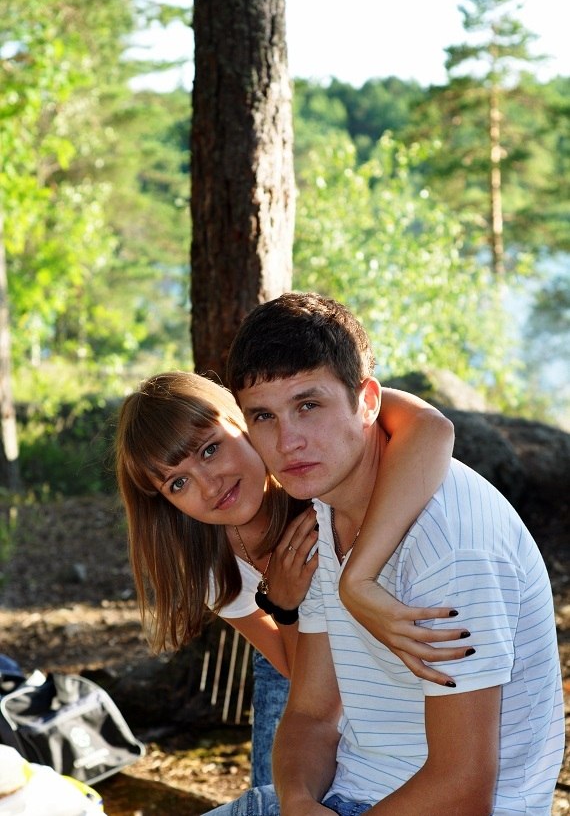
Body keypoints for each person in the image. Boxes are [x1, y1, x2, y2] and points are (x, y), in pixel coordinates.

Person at [204, 291, 564, 815]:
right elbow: (311, 714)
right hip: (350, 794)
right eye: (264, 416)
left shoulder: (448, 545)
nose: (288, 441)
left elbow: (463, 788)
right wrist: (300, 802)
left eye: (308, 406)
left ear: (368, 402)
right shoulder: (326, 506)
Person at [115, 371, 470, 785]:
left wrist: (355, 580)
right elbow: (303, 684)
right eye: (178, 483)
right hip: (298, 658)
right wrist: (282, 607)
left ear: (241, 418)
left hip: (388, 636)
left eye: (210, 450)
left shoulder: (311, 450)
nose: (209, 487)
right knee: (279, 787)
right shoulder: (213, 566)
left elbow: (432, 427)